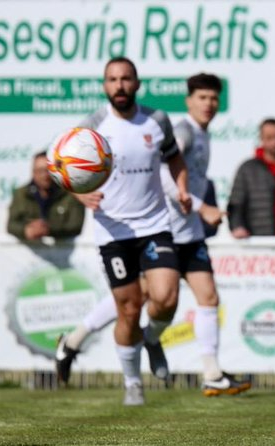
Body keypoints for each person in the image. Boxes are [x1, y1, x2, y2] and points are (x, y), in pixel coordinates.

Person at [56, 73, 250, 398]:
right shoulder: (183, 131)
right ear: (189, 101)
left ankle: (211, 373)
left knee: (206, 297)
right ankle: (79, 341)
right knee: (136, 300)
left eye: (214, 98)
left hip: (190, 232)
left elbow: (187, 177)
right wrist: (202, 207)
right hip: (165, 228)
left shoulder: (203, 133)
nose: (209, 104)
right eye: (202, 98)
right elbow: (163, 172)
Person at [62, 57, 191, 406]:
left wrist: (182, 188)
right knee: (129, 309)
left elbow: (174, 158)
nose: (119, 85)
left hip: (153, 224)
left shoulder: (157, 119)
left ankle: (152, 338)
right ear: (105, 85)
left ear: (137, 83)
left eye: (125, 78)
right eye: (112, 79)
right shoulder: (92, 126)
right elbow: (60, 166)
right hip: (113, 231)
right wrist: (79, 191)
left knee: (166, 297)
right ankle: (133, 382)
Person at [7, 152, 86, 242]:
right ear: (33, 172)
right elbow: (11, 224)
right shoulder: (21, 194)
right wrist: (26, 230)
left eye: (48, 170)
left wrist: (48, 229)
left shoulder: (70, 194)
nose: (45, 175)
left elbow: (75, 226)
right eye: (40, 170)